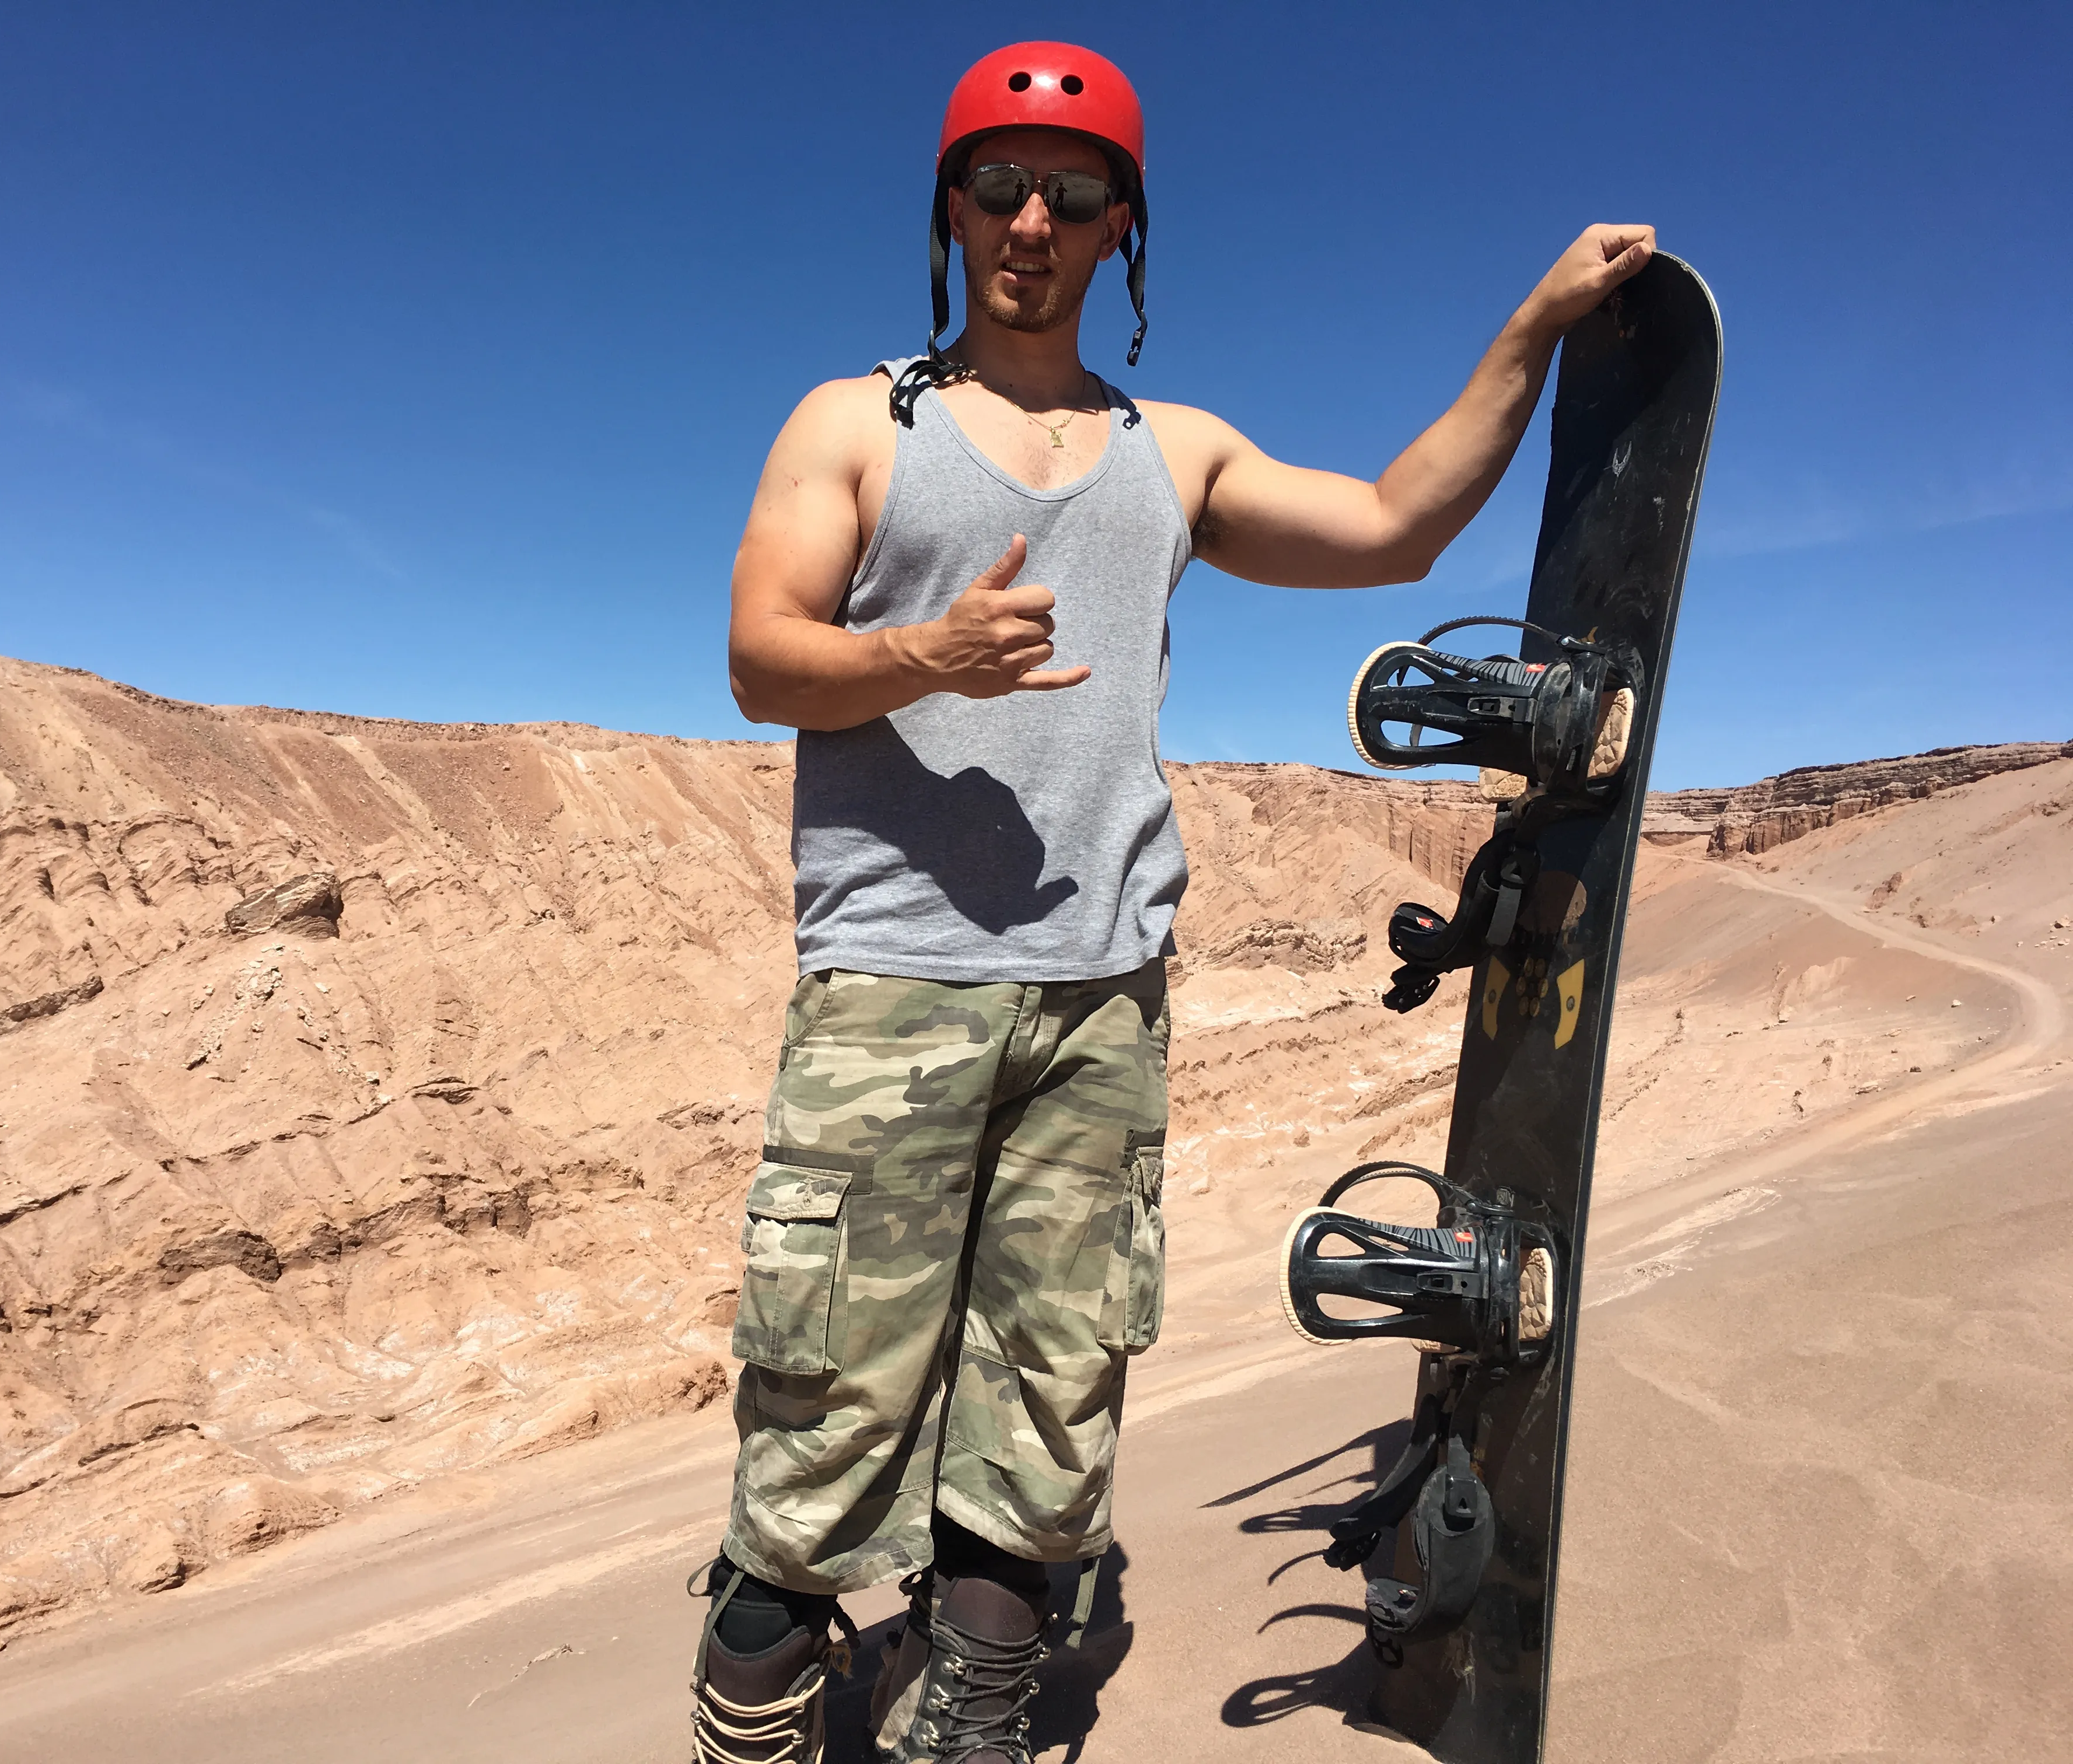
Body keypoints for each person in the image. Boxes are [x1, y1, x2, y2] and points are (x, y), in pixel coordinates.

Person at [691, 40, 1653, 1764]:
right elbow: (765, 657)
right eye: (997, 185)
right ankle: (752, 1718)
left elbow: (1388, 527)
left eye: (1072, 193)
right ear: (949, 209)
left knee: (1053, 1408)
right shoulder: (858, 426)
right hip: (891, 1000)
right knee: (824, 1419)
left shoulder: (1174, 454)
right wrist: (926, 653)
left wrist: (1531, 336)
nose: (1032, 220)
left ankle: (968, 1721)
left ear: (1123, 226)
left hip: (1103, 1003)